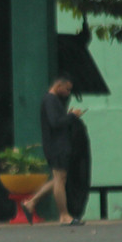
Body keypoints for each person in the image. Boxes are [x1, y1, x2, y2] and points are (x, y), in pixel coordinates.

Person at [23, 77, 86, 225]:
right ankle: (64, 216)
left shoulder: (52, 101)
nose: (68, 92)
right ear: (59, 85)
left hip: (57, 145)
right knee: (59, 179)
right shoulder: (50, 100)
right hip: (56, 146)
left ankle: (31, 203)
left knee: (59, 178)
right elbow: (55, 122)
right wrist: (72, 116)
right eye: (67, 89)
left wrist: (67, 116)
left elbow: (57, 120)